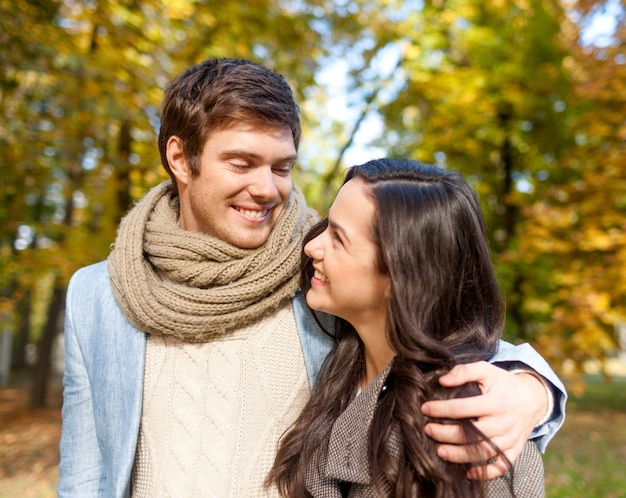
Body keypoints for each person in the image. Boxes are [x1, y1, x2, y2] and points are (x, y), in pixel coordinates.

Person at [57, 58, 565, 497]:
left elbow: (438, 332)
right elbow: (86, 473)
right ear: (179, 159)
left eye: (282, 167)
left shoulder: (316, 268)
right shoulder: (98, 296)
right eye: (242, 163)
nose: (266, 188)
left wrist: (533, 390)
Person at [267, 159, 547, 497]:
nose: (312, 246)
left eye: (339, 239)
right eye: (327, 224)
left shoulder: (468, 433)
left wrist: (536, 392)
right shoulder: (338, 361)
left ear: (402, 276)